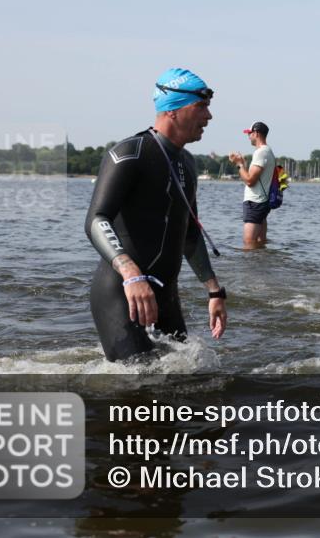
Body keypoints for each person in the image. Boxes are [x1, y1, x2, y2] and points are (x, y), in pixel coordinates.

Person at [85, 67, 228, 362]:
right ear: (173, 110)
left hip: (165, 296)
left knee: (182, 383)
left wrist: (214, 291)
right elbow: (97, 219)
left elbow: (189, 233)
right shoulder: (129, 154)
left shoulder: (188, 163)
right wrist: (130, 273)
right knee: (139, 389)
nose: (209, 116)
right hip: (123, 293)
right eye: (201, 106)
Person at [230, 121, 275, 249]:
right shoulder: (268, 151)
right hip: (262, 202)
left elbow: (250, 181)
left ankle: (250, 269)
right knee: (260, 242)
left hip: (255, 203)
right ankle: (259, 268)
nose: (248, 136)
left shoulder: (261, 152)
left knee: (248, 242)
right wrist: (243, 164)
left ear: (256, 133)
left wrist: (239, 164)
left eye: (249, 133)